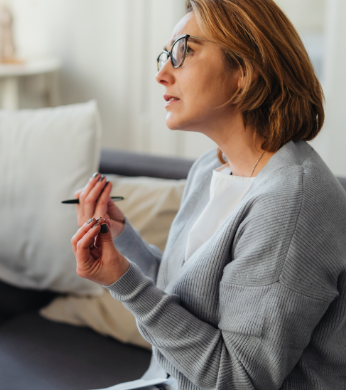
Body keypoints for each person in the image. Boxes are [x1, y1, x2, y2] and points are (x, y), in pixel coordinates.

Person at [71, 0, 346, 389]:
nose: (162, 74)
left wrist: (122, 282)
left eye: (184, 51)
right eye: (164, 55)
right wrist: (121, 240)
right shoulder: (210, 169)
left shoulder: (292, 203)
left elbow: (239, 378)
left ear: (245, 69)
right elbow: (186, 301)